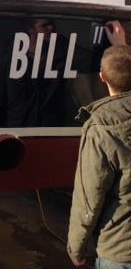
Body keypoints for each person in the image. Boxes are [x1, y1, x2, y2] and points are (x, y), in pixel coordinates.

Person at [67, 21, 131, 268]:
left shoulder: (100, 126)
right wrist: (122, 48)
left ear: (102, 78)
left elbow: (89, 197)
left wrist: (77, 248)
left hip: (119, 251)